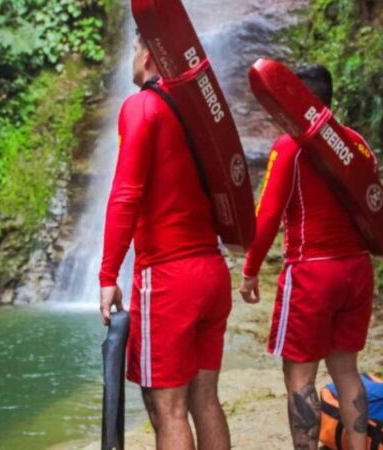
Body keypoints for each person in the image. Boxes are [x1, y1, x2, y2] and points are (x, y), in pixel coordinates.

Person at [98, 31, 232, 450]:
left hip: (170, 279)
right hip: (212, 272)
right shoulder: (198, 116)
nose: (132, 58)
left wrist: (107, 273)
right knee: (204, 399)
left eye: (136, 50)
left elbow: (125, 194)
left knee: (167, 408)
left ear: (152, 57)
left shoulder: (142, 107)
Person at [239, 64, 374, 450]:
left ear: (302, 100)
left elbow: (266, 215)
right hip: (357, 271)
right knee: (347, 370)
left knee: (299, 378)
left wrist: (250, 271)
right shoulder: (357, 143)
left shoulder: (291, 147)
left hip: (312, 274)